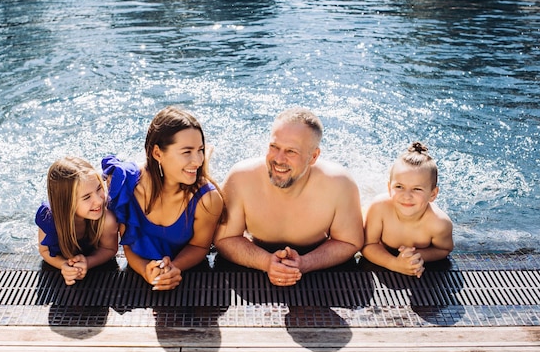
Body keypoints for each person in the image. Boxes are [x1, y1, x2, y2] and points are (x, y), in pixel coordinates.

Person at [213, 107, 364, 287]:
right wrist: (266, 262)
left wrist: (306, 263)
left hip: (316, 269)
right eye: (274, 147)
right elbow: (224, 239)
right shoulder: (241, 178)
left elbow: (349, 241)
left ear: (313, 157)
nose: (279, 159)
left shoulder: (339, 184)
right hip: (256, 257)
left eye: (291, 151)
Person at [102, 106, 225, 291]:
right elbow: (128, 246)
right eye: (187, 151)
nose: (197, 160)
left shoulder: (208, 200)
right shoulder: (126, 186)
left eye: (200, 150)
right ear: (158, 153)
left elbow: (199, 247)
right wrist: (145, 271)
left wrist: (174, 268)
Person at [361, 142, 454, 278]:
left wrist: (416, 256)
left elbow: (444, 249)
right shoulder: (379, 208)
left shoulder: (439, 223)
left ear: (433, 194)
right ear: (389, 188)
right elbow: (367, 245)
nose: (407, 196)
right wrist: (394, 264)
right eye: (399, 187)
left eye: (417, 189)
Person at [35, 156, 120, 285]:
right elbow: (44, 250)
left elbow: (109, 249)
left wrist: (88, 262)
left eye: (99, 189)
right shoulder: (49, 218)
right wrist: (64, 265)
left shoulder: (107, 218)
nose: (98, 200)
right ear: (66, 204)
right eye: (87, 197)